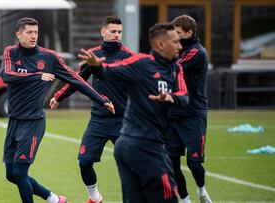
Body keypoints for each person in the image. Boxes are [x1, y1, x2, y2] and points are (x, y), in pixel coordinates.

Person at [0, 17, 115, 203]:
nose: (33, 36)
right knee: (11, 175)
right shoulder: (11, 52)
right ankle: (54, 199)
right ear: (18, 34)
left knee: (20, 173)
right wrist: (37, 76)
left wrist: (101, 100)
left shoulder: (49, 57)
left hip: (33, 122)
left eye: (36, 32)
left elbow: (76, 79)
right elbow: (7, 76)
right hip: (14, 121)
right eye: (29, 32)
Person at [79, 23, 188, 203]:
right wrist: (95, 67)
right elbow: (108, 72)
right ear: (161, 44)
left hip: (138, 144)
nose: (180, 46)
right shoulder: (141, 63)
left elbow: (184, 97)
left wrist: (172, 98)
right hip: (143, 145)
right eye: (175, 42)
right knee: (168, 199)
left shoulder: (176, 69)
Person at [49, 15, 135, 203]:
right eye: (113, 31)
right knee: (85, 161)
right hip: (99, 120)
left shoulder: (129, 56)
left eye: (119, 32)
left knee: (131, 166)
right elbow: (78, 79)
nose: (117, 35)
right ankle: (95, 197)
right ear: (103, 32)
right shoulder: (93, 55)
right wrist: (59, 96)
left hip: (124, 121)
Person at [167, 15, 212, 203]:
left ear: (189, 33)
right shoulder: (175, 50)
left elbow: (174, 68)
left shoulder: (197, 52)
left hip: (193, 114)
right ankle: (185, 201)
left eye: (178, 33)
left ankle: (201, 190)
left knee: (193, 163)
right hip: (172, 114)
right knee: (171, 163)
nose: (174, 37)